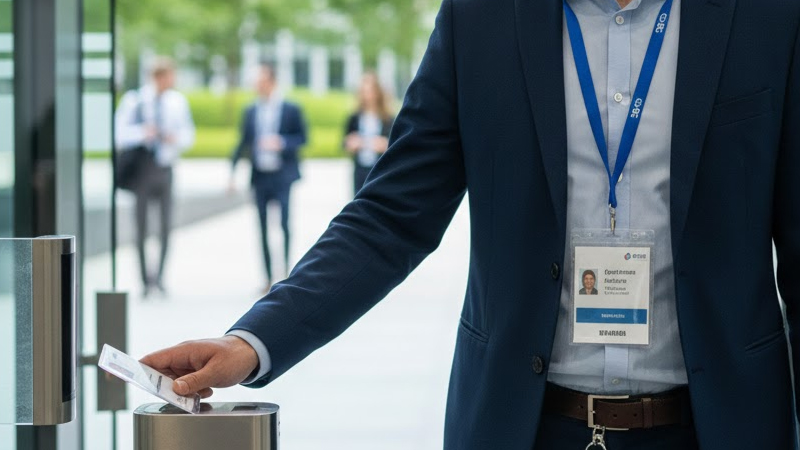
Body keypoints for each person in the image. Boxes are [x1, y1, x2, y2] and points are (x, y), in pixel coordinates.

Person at [142, 0, 800, 448]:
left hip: (719, 425)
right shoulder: (482, 17)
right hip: (522, 425)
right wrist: (254, 342)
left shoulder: (770, 17)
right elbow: (391, 214)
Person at [115, 56, 195, 297]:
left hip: (165, 167)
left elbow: (188, 135)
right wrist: (143, 133)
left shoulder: (177, 102)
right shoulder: (135, 100)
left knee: (165, 226)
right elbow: (119, 134)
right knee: (140, 227)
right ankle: (144, 280)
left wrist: (174, 138)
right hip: (142, 169)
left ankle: (159, 278)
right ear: (158, 77)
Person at [229, 63, 307, 292]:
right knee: (261, 226)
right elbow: (243, 141)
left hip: (282, 175)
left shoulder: (291, 108)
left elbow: (302, 138)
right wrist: (232, 172)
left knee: (283, 224)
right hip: (260, 175)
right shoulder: (251, 110)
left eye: (261, 81)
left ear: (271, 82)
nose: (257, 86)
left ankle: (285, 276)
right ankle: (266, 277)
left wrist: (280, 142)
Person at [343, 72, 395, 195]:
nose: (366, 95)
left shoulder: (388, 119)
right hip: (360, 170)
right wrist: (351, 143)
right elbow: (344, 142)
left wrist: (384, 144)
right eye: (363, 91)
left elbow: (394, 144)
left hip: (380, 171)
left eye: (369, 91)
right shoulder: (354, 117)